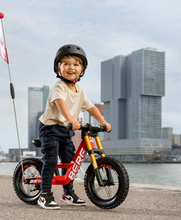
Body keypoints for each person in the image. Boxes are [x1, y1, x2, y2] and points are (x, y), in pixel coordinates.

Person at [38, 44, 111, 210]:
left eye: (76, 64)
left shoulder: (80, 90)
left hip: (65, 129)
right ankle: (44, 194)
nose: (71, 67)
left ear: (82, 70)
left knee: (69, 161)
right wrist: (72, 118)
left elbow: (91, 107)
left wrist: (103, 121)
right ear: (59, 68)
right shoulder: (59, 86)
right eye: (66, 63)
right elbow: (60, 103)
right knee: (50, 160)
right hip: (50, 128)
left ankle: (67, 192)